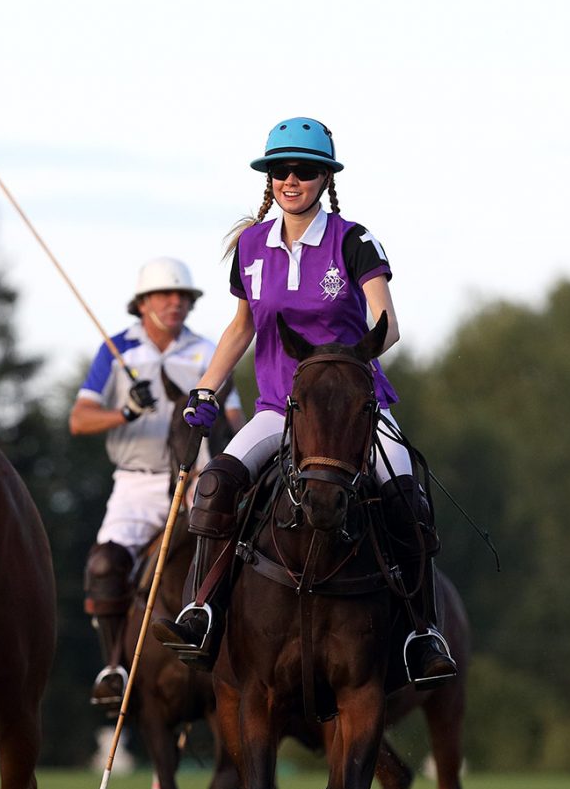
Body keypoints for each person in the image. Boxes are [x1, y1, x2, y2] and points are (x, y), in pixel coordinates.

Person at [154, 117, 458, 686]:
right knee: (216, 485)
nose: (291, 180)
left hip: (352, 410)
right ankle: (204, 610)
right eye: (280, 170)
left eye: (304, 170)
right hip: (276, 406)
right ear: (268, 179)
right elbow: (240, 328)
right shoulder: (250, 246)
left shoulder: (352, 239)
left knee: (405, 499)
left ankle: (423, 630)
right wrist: (206, 389)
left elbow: (384, 325)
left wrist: (338, 367)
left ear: (325, 178)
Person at [68, 258, 244, 708]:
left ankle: (240, 660)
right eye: (165, 295)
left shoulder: (209, 350)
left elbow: (233, 417)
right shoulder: (117, 350)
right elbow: (80, 419)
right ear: (142, 303)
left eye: (183, 296)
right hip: (138, 484)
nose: (175, 303)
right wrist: (125, 412)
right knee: (106, 566)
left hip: (202, 480)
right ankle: (114, 668)